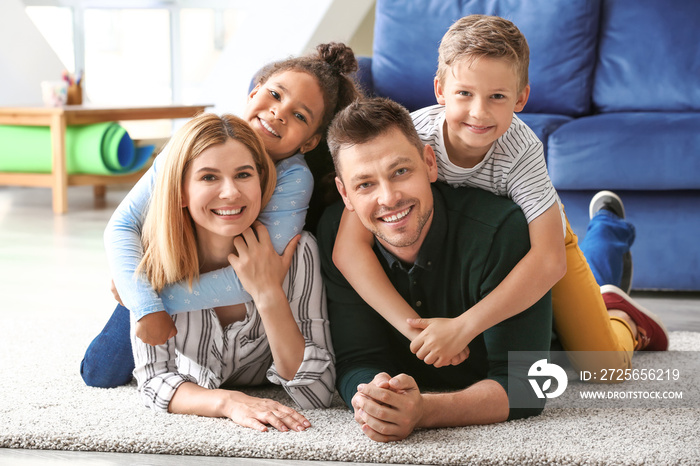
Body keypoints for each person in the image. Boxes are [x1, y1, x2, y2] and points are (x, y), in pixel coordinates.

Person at [331, 15, 667, 374]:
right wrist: (416, 331)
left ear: (521, 97)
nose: (479, 112)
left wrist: (464, 327)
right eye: (464, 93)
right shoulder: (410, 139)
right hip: (469, 247)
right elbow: (348, 248)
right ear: (440, 90)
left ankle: (618, 304)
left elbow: (549, 261)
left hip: (547, 238)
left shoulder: (522, 151)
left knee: (605, 367)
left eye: (497, 97)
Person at [81, 42, 360, 388]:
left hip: (224, 291)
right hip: (178, 258)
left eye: (299, 115)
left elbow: (260, 274)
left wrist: (156, 301)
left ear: (309, 142)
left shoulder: (292, 176)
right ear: (254, 90)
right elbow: (122, 225)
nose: (278, 112)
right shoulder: (195, 140)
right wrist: (142, 301)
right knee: (99, 372)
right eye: (274, 94)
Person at [317, 97, 552, 442]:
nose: (389, 198)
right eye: (365, 184)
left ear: (429, 163)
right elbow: (357, 358)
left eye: (400, 171)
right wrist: (373, 394)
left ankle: (609, 245)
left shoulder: (501, 231)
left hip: (552, 292)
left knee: (604, 343)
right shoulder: (335, 234)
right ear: (345, 194)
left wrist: (424, 412)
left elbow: (525, 385)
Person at [130, 112, 334, 431]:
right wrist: (227, 402)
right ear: (181, 191)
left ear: (261, 181)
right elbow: (154, 380)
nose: (230, 193)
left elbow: (317, 392)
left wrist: (268, 294)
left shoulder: (298, 250)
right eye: (209, 177)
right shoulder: (147, 258)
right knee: (99, 370)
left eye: (243, 175)